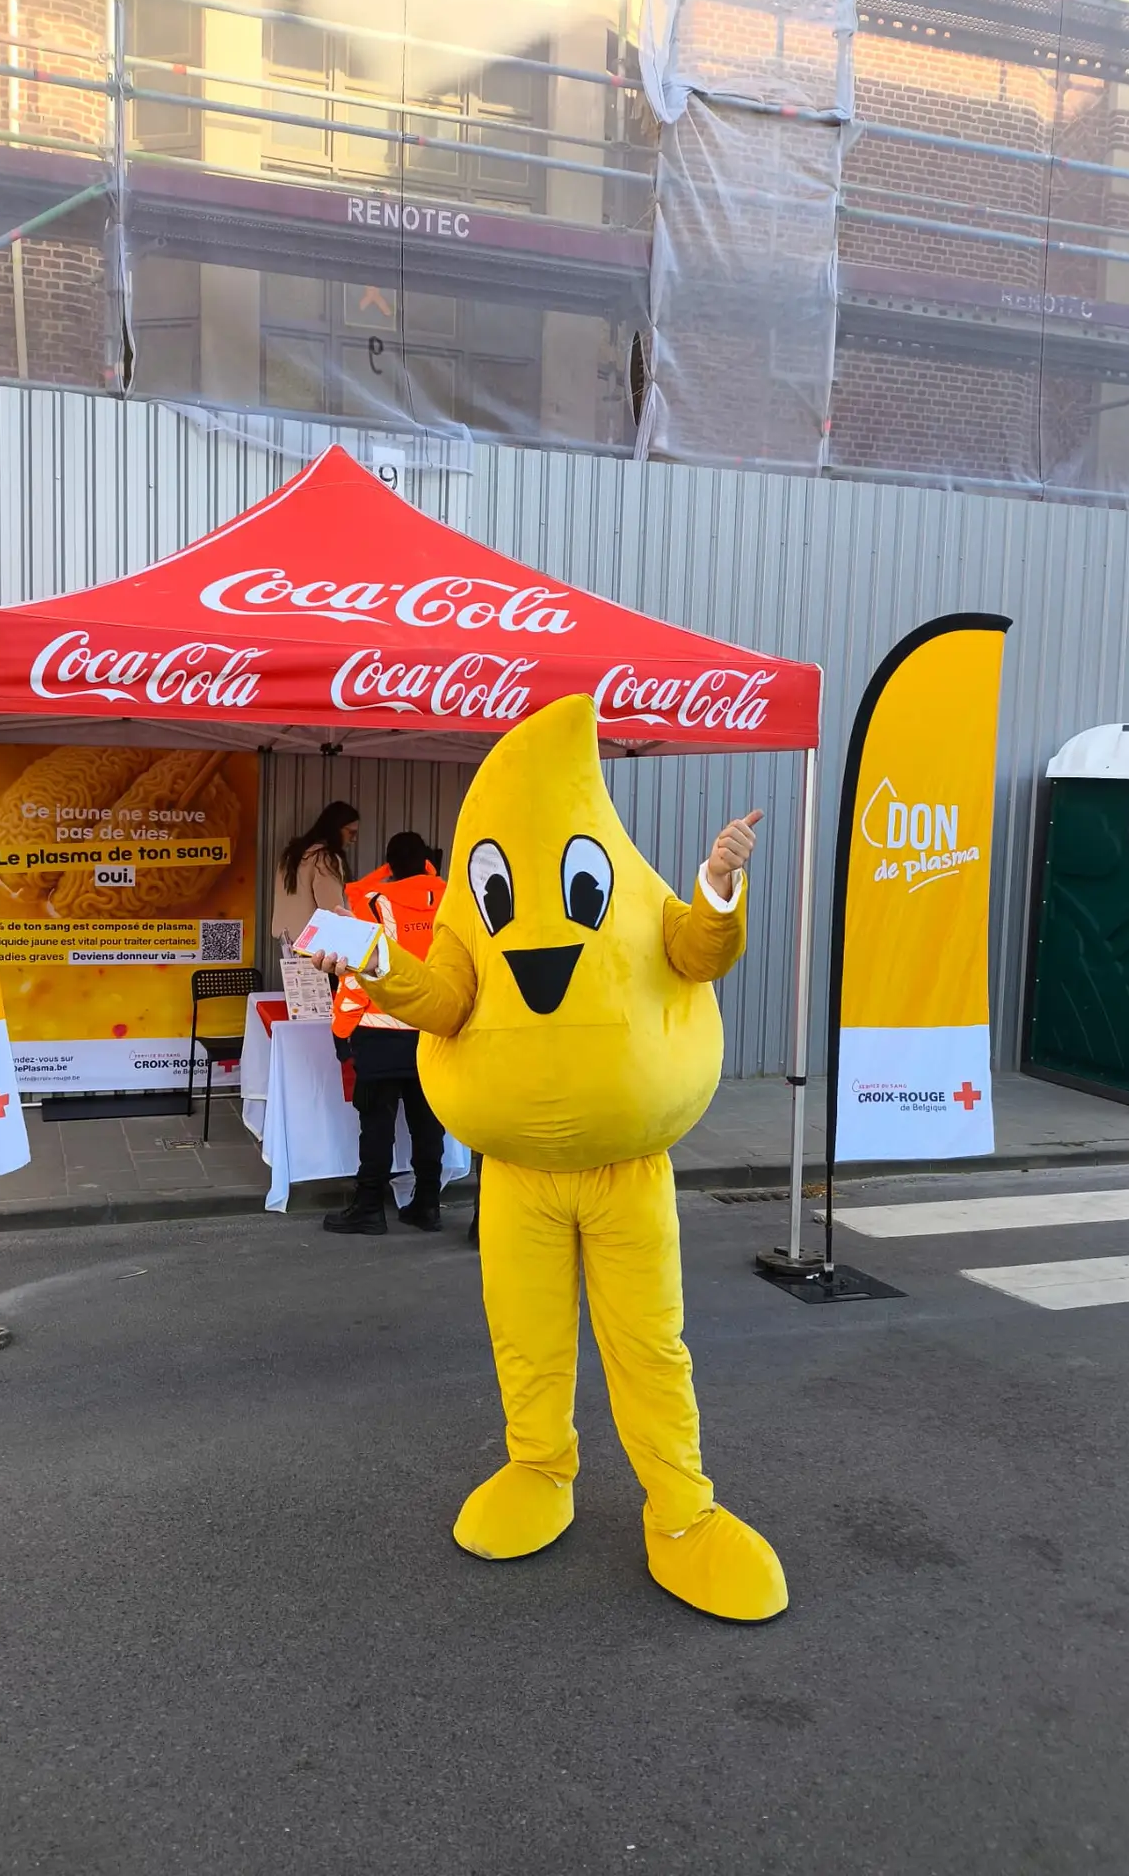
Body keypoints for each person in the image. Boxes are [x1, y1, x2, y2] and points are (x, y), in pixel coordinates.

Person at [312, 695, 786, 1624]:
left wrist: (720, 884)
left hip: (625, 1173)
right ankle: (538, 1465)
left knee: (648, 1346)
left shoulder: (638, 888)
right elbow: (439, 998)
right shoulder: (464, 923)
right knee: (525, 1338)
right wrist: (369, 960)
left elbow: (697, 949)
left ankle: (681, 1509)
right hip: (516, 1177)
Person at [323, 831, 447, 1236]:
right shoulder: (453, 902)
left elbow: (358, 976)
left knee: (376, 1123)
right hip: (434, 1032)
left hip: (378, 1033)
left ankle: (369, 1207)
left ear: (389, 865)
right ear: (429, 861)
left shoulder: (371, 903)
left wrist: (342, 1028)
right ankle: (428, 1204)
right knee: (428, 1123)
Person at [270, 801, 359, 951]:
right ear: (336, 829)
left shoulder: (291, 855)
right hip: (316, 948)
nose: (354, 839)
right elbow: (333, 911)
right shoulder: (324, 858)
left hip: (288, 944)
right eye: (351, 832)